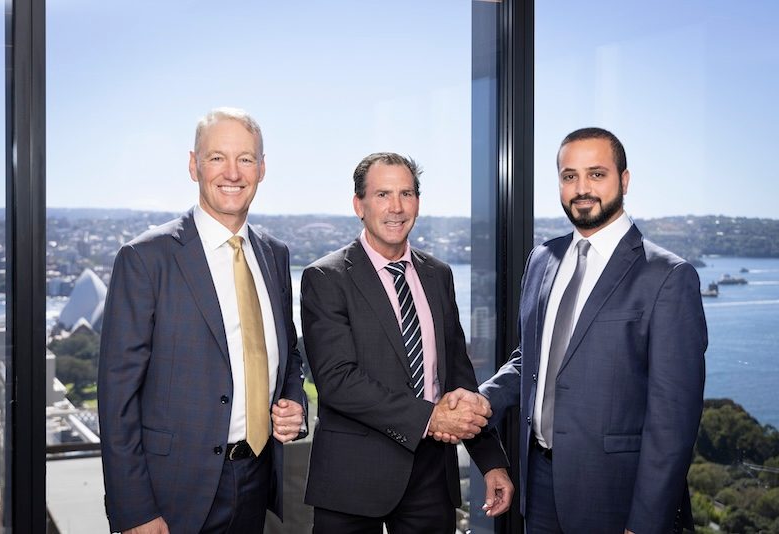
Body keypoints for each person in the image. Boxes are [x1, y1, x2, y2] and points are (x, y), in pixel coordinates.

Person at [444, 127, 706, 533]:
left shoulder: (668, 276)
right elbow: (531, 359)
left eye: (596, 174)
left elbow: (674, 422)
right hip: (540, 484)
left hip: (618, 497)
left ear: (625, 179)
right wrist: (481, 401)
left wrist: (645, 522)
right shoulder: (542, 259)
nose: (582, 188)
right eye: (569, 176)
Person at [98, 108, 307, 534]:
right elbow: (116, 398)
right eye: (217, 158)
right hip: (172, 494)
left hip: (256, 480)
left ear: (262, 169)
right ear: (194, 165)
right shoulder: (145, 258)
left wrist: (294, 402)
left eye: (246, 159)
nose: (232, 172)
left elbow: (287, 353)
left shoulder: (274, 254)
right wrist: (134, 509)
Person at [300, 152, 513, 533]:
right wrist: (431, 418)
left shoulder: (439, 275)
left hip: (432, 475)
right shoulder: (326, 277)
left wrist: (491, 461)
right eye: (382, 195)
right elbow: (337, 382)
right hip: (353, 478)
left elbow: (458, 377)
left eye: (407, 193)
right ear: (359, 205)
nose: (396, 207)